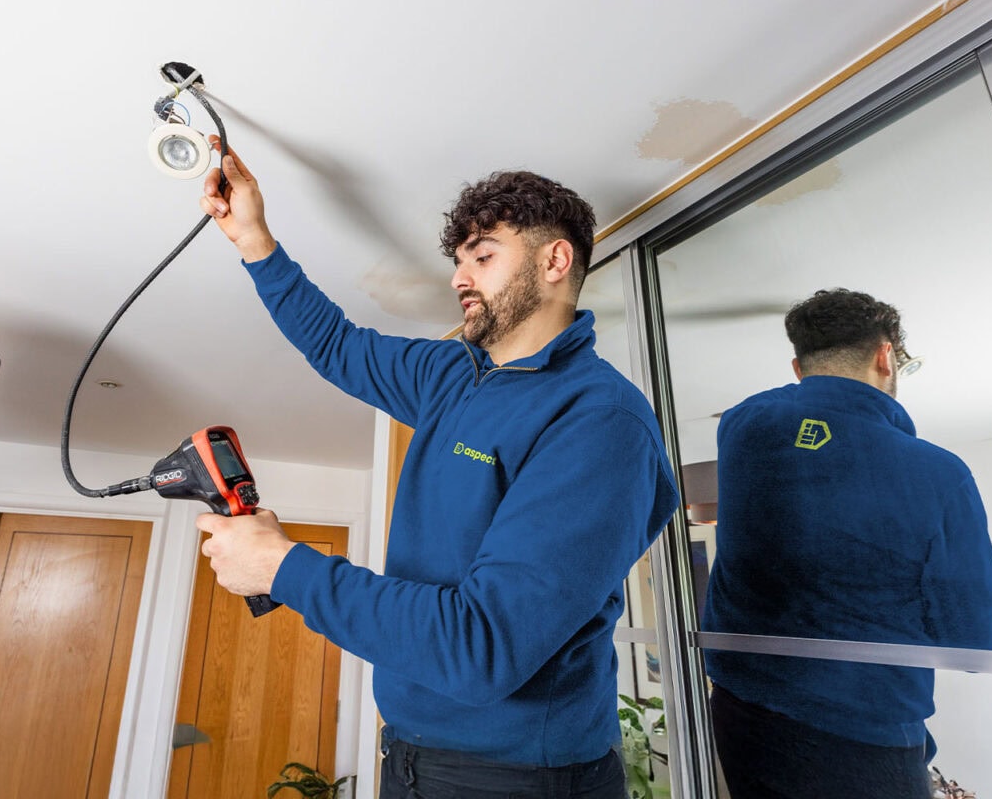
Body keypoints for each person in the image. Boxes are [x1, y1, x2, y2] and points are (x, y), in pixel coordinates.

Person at [191, 141, 679, 798]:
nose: (458, 278)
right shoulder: (451, 374)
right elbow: (336, 343)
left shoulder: (601, 422)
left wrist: (283, 567)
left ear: (555, 260)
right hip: (413, 757)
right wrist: (254, 238)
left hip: (524, 779)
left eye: (482, 256)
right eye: (458, 261)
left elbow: (482, 646)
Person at [700, 288, 992, 799]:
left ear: (797, 369)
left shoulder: (743, 431)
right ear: (887, 356)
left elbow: (782, 401)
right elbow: (973, 647)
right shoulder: (938, 473)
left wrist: (819, 387)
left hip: (742, 712)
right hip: (860, 735)